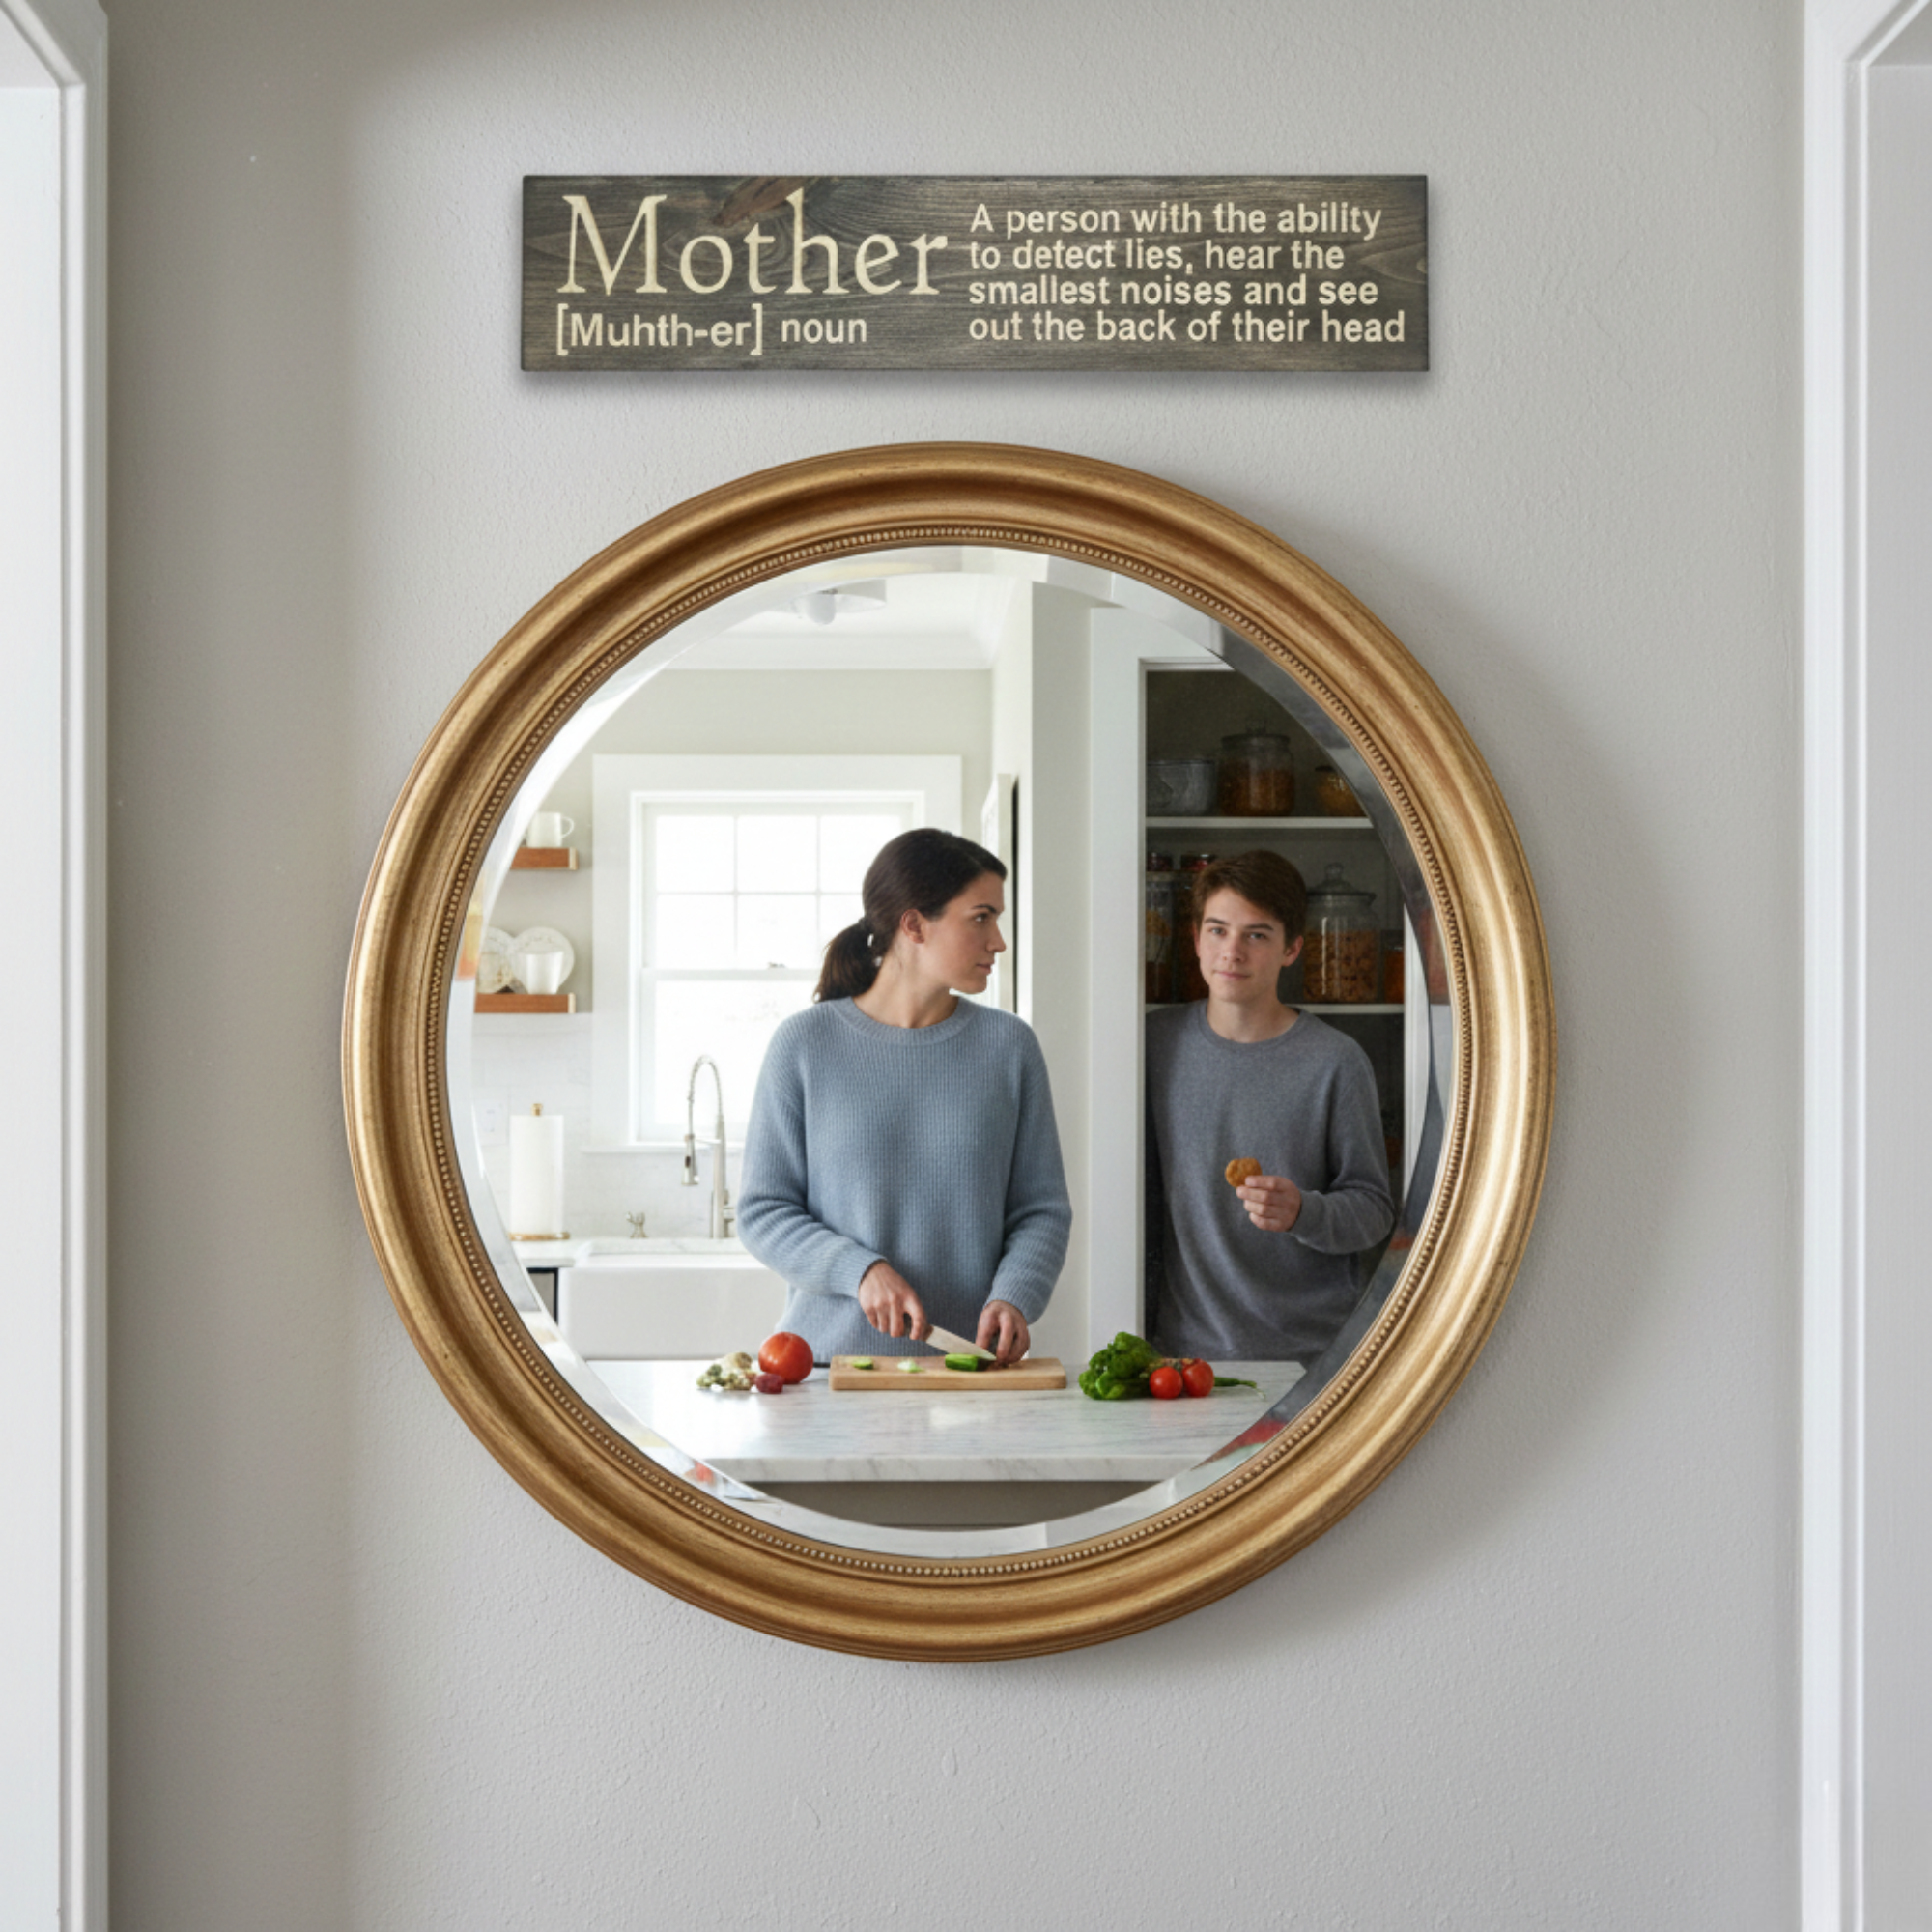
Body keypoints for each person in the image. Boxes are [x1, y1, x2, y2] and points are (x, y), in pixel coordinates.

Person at [736, 827, 1071, 1366]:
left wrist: (1015, 1295)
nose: (999, 941)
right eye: (981, 916)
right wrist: (860, 1270)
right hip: (828, 1371)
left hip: (967, 1368)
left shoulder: (1010, 1048)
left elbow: (1041, 1209)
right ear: (913, 924)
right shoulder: (804, 1044)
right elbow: (762, 1211)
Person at [1145, 849, 1395, 1364]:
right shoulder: (1153, 1044)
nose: (1231, 952)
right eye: (1217, 931)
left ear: (1292, 949)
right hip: (1183, 1355)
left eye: (1256, 935)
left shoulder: (1336, 1062)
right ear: (1194, 941)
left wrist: (1304, 1210)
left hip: (1312, 1356)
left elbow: (1374, 1212)